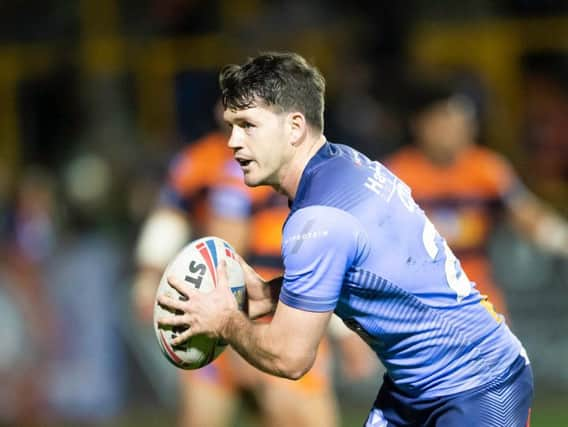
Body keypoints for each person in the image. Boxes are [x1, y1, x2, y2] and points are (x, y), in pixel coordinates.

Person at [157, 52, 535, 426]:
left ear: (294, 127)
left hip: (478, 387)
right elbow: (364, 266)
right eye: (231, 125)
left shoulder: (318, 218)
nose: (233, 142)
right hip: (419, 388)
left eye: (247, 125)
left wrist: (225, 321)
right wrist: (266, 295)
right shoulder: (348, 164)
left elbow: (289, 358)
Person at [133, 102, 373, 427]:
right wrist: (148, 277)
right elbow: (191, 229)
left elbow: (320, 253)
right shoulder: (208, 162)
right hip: (253, 317)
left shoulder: (292, 164)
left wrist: (342, 330)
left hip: (273, 313)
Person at [384, 80, 568, 315]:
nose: (453, 130)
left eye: (461, 122)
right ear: (422, 124)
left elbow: (526, 215)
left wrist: (561, 239)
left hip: (476, 292)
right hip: (416, 295)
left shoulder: (487, 169)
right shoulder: (394, 173)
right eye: (444, 121)